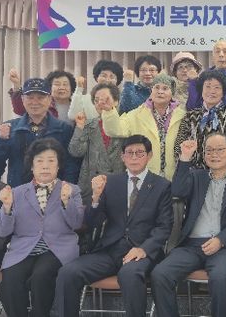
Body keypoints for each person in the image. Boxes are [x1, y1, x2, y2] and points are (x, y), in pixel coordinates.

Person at [54, 135, 173, 317]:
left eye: (140, 153)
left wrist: (144, 249)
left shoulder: (162, 185)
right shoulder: (111, 182)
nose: (134, 157)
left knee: (129, 275)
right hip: (110, 250)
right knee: (67, 272)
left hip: (141, 252)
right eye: (129, 153)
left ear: (149, 156)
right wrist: (95, 197)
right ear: (122, 157)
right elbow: (92, 222)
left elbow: (164, 226)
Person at [151, 134, 226, 317]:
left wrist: (221, 240)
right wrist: (185, 157)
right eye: (209, 150)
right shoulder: (196, 176)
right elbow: (177, 191)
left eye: (220, 149)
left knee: (220, 277)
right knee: (160, 273)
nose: (214, 154)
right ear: (204, 154)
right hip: (192, 246)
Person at [0, 138, 84, 317]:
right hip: (23, 250)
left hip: (57, 249)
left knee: (41, 277)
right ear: (32, 166)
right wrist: (7, 207)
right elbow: (2, 231)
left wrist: (66, 201)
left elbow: (76, 224)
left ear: (58, 166)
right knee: (10, 279)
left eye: (51, 161)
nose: (45, 166)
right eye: (40, 161)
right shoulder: (16, 192)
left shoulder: (71, 190)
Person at [0, 78, 78, 187]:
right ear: (22, 99)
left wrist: (67, 188)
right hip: (19, 190)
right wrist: (1, 140)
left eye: (40, 97)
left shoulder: (64, 129)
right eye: (30, 97)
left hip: (54, 191)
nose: (35, 102)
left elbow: (70, 165)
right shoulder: (10, 127)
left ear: (50, 99)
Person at [101, 73, 185, 181]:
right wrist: (109, 111)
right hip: (145, 177)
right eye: (156, 87)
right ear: (151, 91)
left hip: (174, 177)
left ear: (172, 93)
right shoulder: (136, 114)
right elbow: (115, 130)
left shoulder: (183, 116)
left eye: (165, 88)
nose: (160, 91)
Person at [174, 70, 226, 170]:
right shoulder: (191, 116)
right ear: (201, 89)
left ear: (223, 92)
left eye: (217, 87)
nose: (212, 91)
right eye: (208, 86)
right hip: (196, 174)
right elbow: (179, 147)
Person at [68, 82, 126, 205]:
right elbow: (75, 151)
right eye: (96, 100)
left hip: (116, 184)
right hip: (90, 186)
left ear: (116, 101)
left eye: (105, 99)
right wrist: (79, 128)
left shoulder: (125, 124)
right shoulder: (88, 124)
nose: (100, 103)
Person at [186, 39, 226, 110]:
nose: (221, 55)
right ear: (213, 57)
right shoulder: (203, 78)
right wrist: (193, 82)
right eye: (217, 52)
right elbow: (192, 107)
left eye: (225, 52)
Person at [8, 69, 76, 123]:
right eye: (57, 84)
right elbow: (19, 109)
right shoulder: (43, 104)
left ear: (71, 87)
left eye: (65, 84)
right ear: (49, 88)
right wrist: (16, 84)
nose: (61, 87)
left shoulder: (77, 106)